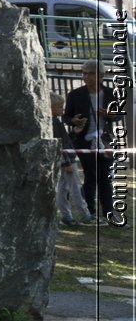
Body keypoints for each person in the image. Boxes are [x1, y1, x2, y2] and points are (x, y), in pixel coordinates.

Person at [65, 61, 124, 227]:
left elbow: (119, 115)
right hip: (84, 141)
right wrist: (74, 121)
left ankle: (109, 214)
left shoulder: (111, 94)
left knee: (106, 178)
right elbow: (66, 117)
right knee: (90, 177)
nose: (86, 77)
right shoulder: (75, 95)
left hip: (105, 141)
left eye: (90, 73)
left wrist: (111, 115)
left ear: (101, 76)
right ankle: (89, 213)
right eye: (84, 73)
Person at [50, 91, 96, 228]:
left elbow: (65, 139)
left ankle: (66, 215)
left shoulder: (55, 122)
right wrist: (66, 162)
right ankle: (84, 215)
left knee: (62, 189)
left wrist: (74, 131)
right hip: (67, 160)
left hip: (65, 159)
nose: (62, 110)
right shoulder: (54, 123)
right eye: (59, 107)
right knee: (75, 187)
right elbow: (60, 144)